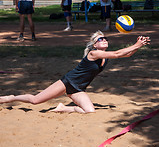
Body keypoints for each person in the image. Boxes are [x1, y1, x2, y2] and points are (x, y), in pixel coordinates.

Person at [0, 31, 150, 113]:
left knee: (90, 111)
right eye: (100, 39)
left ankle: (63, 108)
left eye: (105, 38)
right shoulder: (94, 54)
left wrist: (139, 45)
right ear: (94, 45)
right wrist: (136, 44)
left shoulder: (105, 56)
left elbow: (126, 54)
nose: (104, 40)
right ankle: (10, 98)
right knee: (35, 100)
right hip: (67, 82)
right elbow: (118, 53)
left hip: (78, 89)